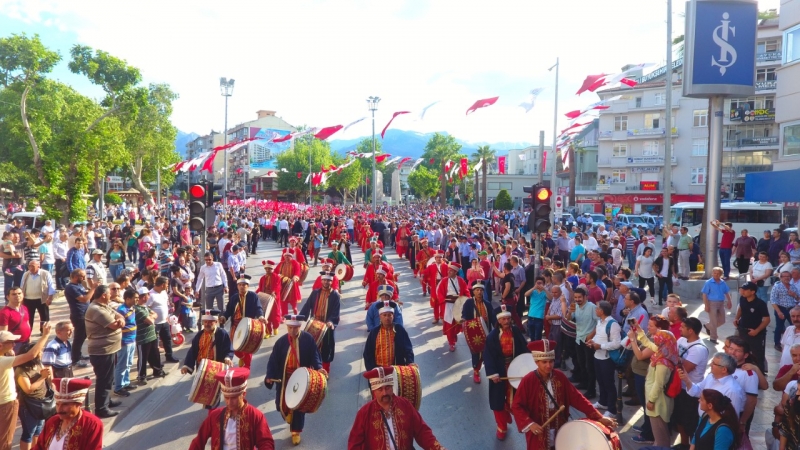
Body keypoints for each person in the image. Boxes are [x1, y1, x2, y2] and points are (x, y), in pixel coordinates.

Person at [511, 339, 616, 449]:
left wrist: (599, 417)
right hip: (539, 430)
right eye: (544, 362)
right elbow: (517, 406)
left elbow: (577, 398)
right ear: (536, 362)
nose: (548, 365)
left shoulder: (559, 376)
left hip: (560, 428)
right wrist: (530, 424)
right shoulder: (528, 380)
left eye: (551, 361)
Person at [347, 367, 446, 450]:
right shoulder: (364, 413)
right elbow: (355, 444)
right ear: (374, 391)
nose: (384, 393)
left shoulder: (405, 405)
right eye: (380, 389)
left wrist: (438, 448)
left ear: (392, 387)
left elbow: (422, 431)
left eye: (387, 388)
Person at [264, 314, 326, 446]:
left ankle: (296, 431)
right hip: (285, 378)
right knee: (281, 405)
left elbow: (315, 355)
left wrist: (319, 368)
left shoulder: (308, 339)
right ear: (287, 326)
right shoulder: (280, 342)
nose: (292, 330)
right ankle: (288, 416)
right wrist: (270, 375)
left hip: (301, 379)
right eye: (290, 327)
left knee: (299, 405)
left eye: (295, 328)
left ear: (300, 327)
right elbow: (273, 360)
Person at [189, 367, 274, 450]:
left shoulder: (255, 415)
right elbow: (199, 440)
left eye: (233, 398)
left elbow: (265, 442)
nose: (229, 402)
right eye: (226, 397)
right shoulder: (215, 416)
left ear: (243, 394)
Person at [0, 324, 52, 450]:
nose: (14, 345)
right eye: (11, 342)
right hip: (6, 404)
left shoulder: (4, 359)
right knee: (5, 440)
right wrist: (45, 336)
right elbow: (30, 355)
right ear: (1, 345)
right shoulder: (3, 361)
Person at [482, 305, 529, 440]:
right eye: (504, 319)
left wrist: (529, 364)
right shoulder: (492, 336)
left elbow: (524, 348)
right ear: (499, 321)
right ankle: (501, 426)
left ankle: (522, 422)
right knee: (497, 400)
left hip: (515, 370)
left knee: (517, 399)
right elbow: (488, 356)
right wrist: (492, 373)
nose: (507, 321)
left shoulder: (516, 331)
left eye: (508, 318)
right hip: (499, 372)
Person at [84, 285, 125, 418]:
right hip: (102, 351)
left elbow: (119, 315)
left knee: (109, 378)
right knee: (104, 379)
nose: (111, 295)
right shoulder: (96, 309)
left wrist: (120, 320)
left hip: (110, 348)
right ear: (103, 295)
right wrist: (119, 322)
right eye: (109, 293)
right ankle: (101, 408)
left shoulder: (104, 305)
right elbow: (114, 325)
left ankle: (107, 401)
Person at [31, 377, 103, 450]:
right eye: (57, 404)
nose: (59, 409)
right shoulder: (52, 422)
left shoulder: (92, 424)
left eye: (65, 404)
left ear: (79, 404)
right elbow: (39, 447)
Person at [672, 317, 710, 449]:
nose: (680, 329)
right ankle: (683, 444)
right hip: (679, 387)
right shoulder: (682, 339)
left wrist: (674, 359)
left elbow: (685, 369)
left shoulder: (699, 349)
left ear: (691, 330)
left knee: (690, 421)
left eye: (682, 327)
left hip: (690, 390)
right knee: (679, 418)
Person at [678, 352, 746, 418]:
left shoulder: (732, 390)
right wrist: (687, 380)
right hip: (702, 419)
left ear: (724, 369)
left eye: (714, 363)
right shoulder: (710, 376)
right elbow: (698, 391)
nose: (710, 364)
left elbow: (732, 416)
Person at [299, 271, 341, 373]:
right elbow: (307, 305)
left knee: (326, 348)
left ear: (331, 282)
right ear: (321, 280)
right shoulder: (315, 293)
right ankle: (312, 370)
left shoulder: (335, 295)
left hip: (327, 326)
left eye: (328, 281)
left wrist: (331, 321)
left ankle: (325, 370)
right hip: (315, 324)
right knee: (312, 346)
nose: (326, 282)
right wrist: (300, 317)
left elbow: (336, 311)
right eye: (324, 280)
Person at [220, 278, 265, 369]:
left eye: (244, 285)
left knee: (247, 347)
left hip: (248, 326)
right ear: (237, 286)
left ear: (247, 286)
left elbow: (258, 308)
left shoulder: (253, 296)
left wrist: (260, 316)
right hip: (235, 326)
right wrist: (224, 317)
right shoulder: (234, 297)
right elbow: (228, 310)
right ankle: (242, 357)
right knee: (234, 346)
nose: (241, 287)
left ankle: (247, 366)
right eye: (240, 285)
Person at [586, 300, 621, 416]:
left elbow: (617, 343)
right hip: (597, 356)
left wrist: (601, 346)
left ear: (602, 311)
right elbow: (599, 336)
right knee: (600, 381)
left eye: (597, 308)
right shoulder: (599, 322)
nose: (595, 310)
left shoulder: (613, 324)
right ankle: (603, 402)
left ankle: (612, 409)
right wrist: (593, 341)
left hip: (607, 359)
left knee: (609, 383)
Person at [15, 342, 51, 450]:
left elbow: (46, 378)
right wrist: (42, 377)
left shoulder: (38, 363)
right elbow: (28, 389)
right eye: (39, 351)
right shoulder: (21, 370)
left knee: (38, 430)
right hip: (28, 406)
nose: (41, 353)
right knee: (29, 433)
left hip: (41, 403)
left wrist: (49, 374)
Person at [461, 282, 496, 384]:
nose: (479, 292)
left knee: (486, 352)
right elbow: (465, 315)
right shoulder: (468, 303)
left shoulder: (487, 304)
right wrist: (463, 319)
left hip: (486, 332)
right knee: (476, 352)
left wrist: (498, 327)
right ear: (473, 292)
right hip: (474, 333)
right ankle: (476, 371)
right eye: (477, 290)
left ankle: (487, 370)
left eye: (481, 290)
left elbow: (493, 318)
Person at [363, 303, 415, 370]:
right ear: (380, 316)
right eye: (384, 315)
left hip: (397, 369)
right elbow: (367, 353)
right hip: (378, 370)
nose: (387, 318)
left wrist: (410, 362)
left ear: (393, 316)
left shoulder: (399, 329)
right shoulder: (374, 332)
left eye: (389, 315)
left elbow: (408, 348)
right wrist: (371, 369)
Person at [569, 287, 599, 399]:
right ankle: (584, 382)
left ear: (586, 297)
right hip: (578, 338)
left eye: (579, 297)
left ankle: (592, 390)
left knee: (590, 366)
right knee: (581, 363)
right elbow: (569, 319)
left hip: (588, 340)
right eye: (575, 297)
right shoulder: (575, 306)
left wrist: (591, 335)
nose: (577, 299)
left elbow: (599, 323)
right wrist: (569, 311)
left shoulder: (592, 307)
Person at [733, 281, 770, 373]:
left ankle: (760, 373)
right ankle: (743, 372)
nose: (743, 291)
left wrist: (757, 331)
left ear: (752, 292)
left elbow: (766, 319)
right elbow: (741, 309)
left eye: (745, 290)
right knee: (742, 352)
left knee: (757, 355)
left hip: (754, 334)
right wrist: (736, 318)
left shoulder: (760, 303)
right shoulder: (742, 299)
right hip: (742, 330)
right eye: (742, 289)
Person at [133, 287, 167, 384]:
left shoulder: (145, 307)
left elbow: (155, 314)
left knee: (155, 355)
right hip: (143, 338)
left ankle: (157, 370)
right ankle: (141, 376)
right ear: (143, 297)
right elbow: (151, 320)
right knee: (143, 358)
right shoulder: (138, 309)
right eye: (148, 294)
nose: (149, 296)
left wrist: (151, 317)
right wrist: (151, 317)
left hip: (152, 336)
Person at [436, 261, 468, 352]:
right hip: (448, 305)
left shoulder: (461, 281)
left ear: (455, 272)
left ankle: (454, 336)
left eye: (451, 271)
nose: (448, 272)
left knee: (457, 323)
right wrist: (443, 300)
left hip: (458, 304)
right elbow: (439, 293)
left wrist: (467, 300)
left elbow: (466, 291)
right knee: (450, 323)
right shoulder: (444, 281)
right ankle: (451, 342)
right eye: (448, 270)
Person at [147, 276, 180, 364]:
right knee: (155, 344)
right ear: (162, 285)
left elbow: (165, 303)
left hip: (164, 321)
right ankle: (155, 362)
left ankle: (169, 356)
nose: (167, 286)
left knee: (167, 339)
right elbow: (146, 309)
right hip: (155, 324)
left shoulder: (164, 292)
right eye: (167, 284)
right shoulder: (151, 295)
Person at [113, 289, 138, 397]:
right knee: (122, 365)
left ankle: (126, 382)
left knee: (128, 363)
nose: (137, 300)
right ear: (128, 299)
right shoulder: (121, 310)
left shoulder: (132, 308)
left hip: (132, 340)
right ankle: (118, 387)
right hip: (125, 341)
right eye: (135, 298)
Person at [20, 260, 56, 334]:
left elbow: (51, 286)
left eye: (32, 266)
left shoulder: (45, 274)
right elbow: (22, 286)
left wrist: (50, 298)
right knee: (29, 317)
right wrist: (21, 299)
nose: (30, 268)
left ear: (38, 266)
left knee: (44, 316)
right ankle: (28, 332)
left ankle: (44, 332)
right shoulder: (26, 274)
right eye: (29, 266)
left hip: (41, 299)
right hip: (28, 299)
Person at [700, 267, 732, 344]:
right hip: (712, 303)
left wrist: (729, 301)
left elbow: (727, 292)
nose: (716, 275)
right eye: (714, 273)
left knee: (722, 320)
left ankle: (708, 326)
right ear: (712, 273)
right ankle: (713, 338)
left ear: (721, 274)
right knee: (714, 321)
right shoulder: (708, 282)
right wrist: (706, 305)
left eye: (718, 273)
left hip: (721, 303)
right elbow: (704, 294)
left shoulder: (723, 282)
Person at [772, 272, 800, 352]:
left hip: (791, 309)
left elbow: (798, 299)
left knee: (794, 325)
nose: (787, 278)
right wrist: (778, 311)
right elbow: (773, 300)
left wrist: (794, 295)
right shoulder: (777, 287)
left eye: (788, 276)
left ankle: (794, 342)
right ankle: (777, 343)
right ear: (781, 277)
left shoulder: (793, 287)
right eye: (785, 276)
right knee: (779, 327)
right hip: (781, 308)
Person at [255, 260, 283, 337]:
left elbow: (278, 286)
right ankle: (268, 332)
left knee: (275, 315)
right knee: (266, 315)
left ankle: (275, 327)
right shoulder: (262, 278)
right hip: (265, 299)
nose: (268, 270)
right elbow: (260, 288)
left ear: (272, 269)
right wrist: (255, 293)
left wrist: (274, 292)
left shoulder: (276, 277)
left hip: (274, 298)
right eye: (266, 269)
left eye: (269, 269)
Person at [0, 287, 31, 353]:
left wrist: (29, 337)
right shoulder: (4, 312)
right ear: (8, 297)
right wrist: (9, 350)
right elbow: (3, 333)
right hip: (15, 344)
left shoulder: (24, 308)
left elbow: (27, 323)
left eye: (19, 293)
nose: (17, 296)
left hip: (26, 342)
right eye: (13, 294)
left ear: (23, 295)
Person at [275, 249, 302, 315]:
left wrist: (295, 277)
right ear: (284, 256)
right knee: (283, 300)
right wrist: (278, 276)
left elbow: (297, 272)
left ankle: (294, 308)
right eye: (286, 256)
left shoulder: (295, 263)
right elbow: (275, 272)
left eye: (288, 256)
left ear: (291, 256)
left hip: (292, 284)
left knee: (293, 299)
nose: (287, 257)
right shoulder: (281, 263)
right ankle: (284, 315)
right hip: (283, 284)